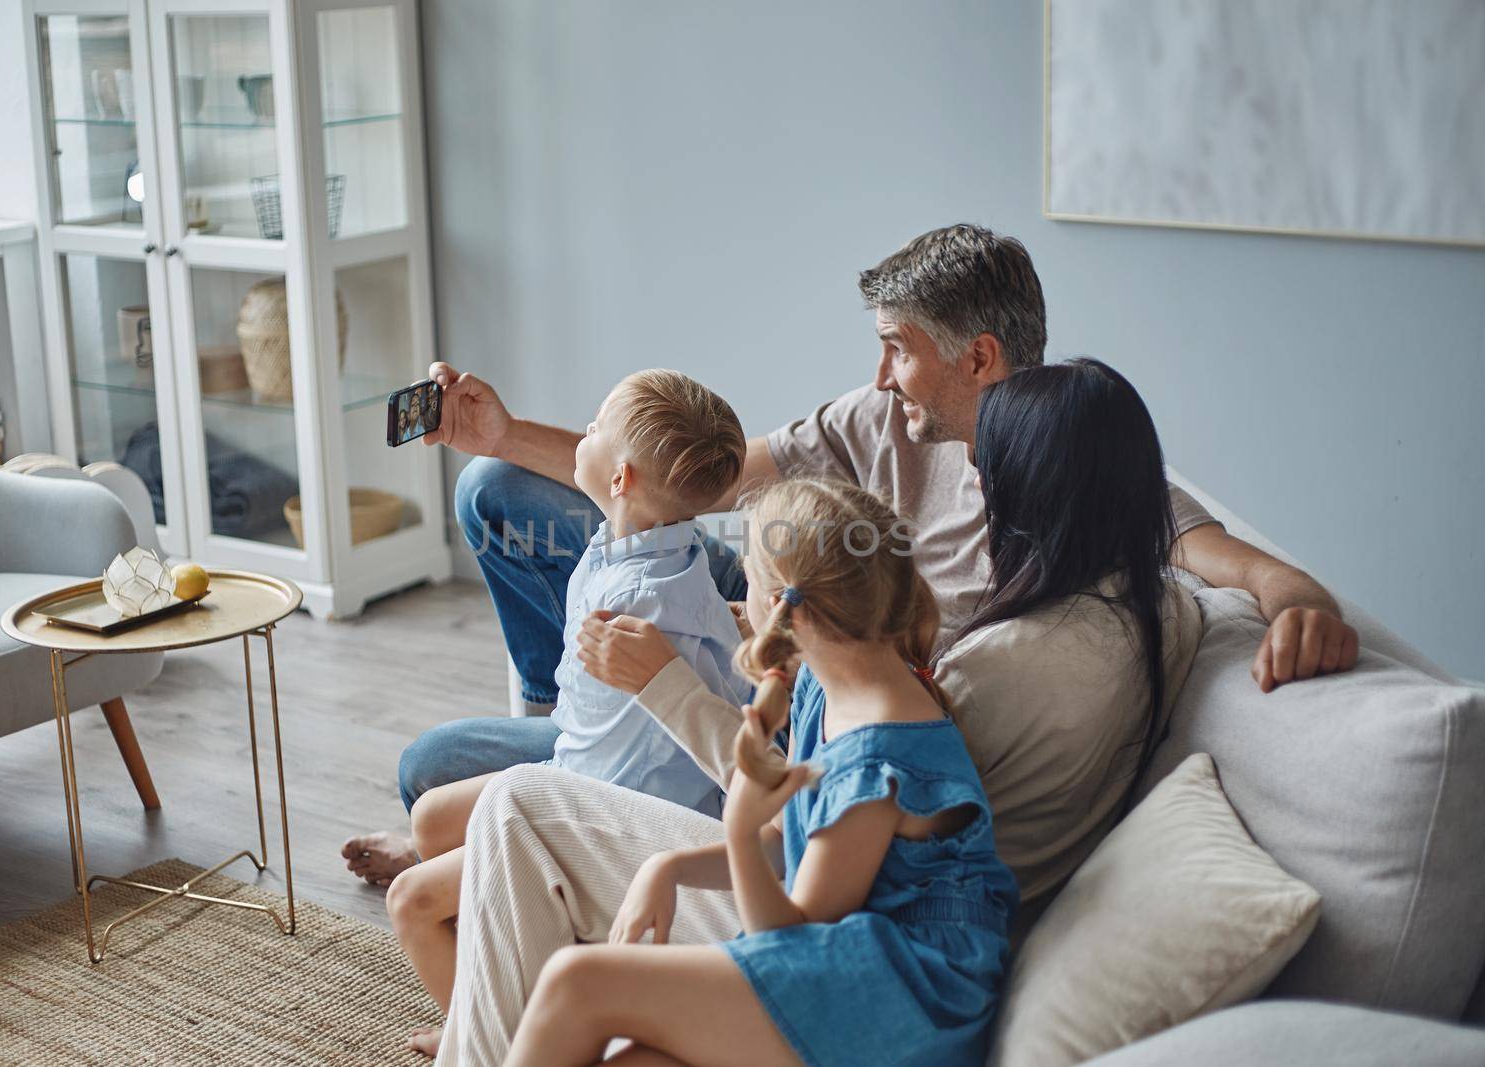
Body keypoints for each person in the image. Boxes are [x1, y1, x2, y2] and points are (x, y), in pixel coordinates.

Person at [340, 222, 1360, 889]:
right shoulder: (876, 417)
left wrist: (1295, 592)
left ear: (979, 358)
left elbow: (1218, 550)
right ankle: (574, 711)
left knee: (426, 769)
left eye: (898, 346)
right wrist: (504, 433)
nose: (879, 371)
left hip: (821, 659)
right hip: (766, 589)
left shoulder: (1066, 473)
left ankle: (576, 766)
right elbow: (689, 479)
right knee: (497, 494)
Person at [438, 357, 1202, 1063]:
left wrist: (721, 798)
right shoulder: (834, 678)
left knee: (532, 877)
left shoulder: (898, 741)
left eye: (986, 471)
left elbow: (798, 925)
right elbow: (692, 473)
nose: (973, 478)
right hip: (827, 919)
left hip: (872, 981)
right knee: (456, 795)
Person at [503, 479, 1018, 1066]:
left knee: (579, 980)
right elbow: (787, 843)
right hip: (850, 956)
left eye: (747, 577)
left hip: (906, 999)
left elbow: (790, 940)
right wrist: (668, 865)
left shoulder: (880, 764)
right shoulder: (828, 684)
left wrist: (743, 831)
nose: (739, 596)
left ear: (781, 607)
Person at [385, 370, 751, 1054]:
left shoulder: (650, 605)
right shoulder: (654, 544)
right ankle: (503, 987)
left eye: (592, 428)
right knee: (430, 817)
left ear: (620, 479)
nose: (581, 432)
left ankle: (493, 1036)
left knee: (410, 901)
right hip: (580, 763)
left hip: (608, 813)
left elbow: (689, 742)